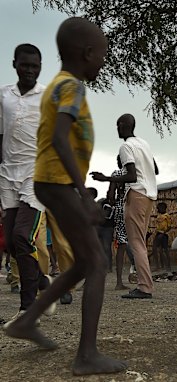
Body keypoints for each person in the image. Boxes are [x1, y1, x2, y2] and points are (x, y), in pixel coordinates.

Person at [3, 17, 127, 376]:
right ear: (88, 53)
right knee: (98, 263)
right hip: (55, 183)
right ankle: (86, 354)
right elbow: (59, 138)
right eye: (102, 54)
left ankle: (28, 320)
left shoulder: (58, 84)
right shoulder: (71, 87)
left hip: (48, 182)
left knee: (81, 263)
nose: (103, 61)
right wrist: (84, 195)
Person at [0, 43, 56, 326]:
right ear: (15, 64)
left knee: (23, 236)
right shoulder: (4, 96)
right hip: (7, 174)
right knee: (11, 242)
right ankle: (44, 283)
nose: (30, 71)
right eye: (25, 65)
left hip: (36, 175)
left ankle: (27, 310)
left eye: (35, 66)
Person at [91, 113, 158, 299]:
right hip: (150, 194)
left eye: (117, 126)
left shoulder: (126, 146)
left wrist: (106, 178)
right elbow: (156, 169)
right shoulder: (144, 144)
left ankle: (145, 287)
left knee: (135, 243)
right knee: (140, 242)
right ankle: (145, 284)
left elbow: (131, 176)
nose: (117, 129)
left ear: (123, 125)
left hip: (136, 194)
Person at [106, 155, 135, 289]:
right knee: (138, 243)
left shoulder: (116, 174)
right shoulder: (135, 174)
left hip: (119, 209)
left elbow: (110, 195)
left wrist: (115, 202)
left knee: (122, 245)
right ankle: (140, 277)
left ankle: (119, 282)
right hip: (133, 207)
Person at [151, 202, 171, 271]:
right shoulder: (159, 216)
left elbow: (169, 227)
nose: (157, 210)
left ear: (163, 208)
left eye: (158, 209)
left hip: (163, 234)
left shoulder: (167, 216)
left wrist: (163, 233)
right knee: (158, 250)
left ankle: (167, 266)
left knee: (164, 250)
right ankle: (160, 266)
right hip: (158, 233)